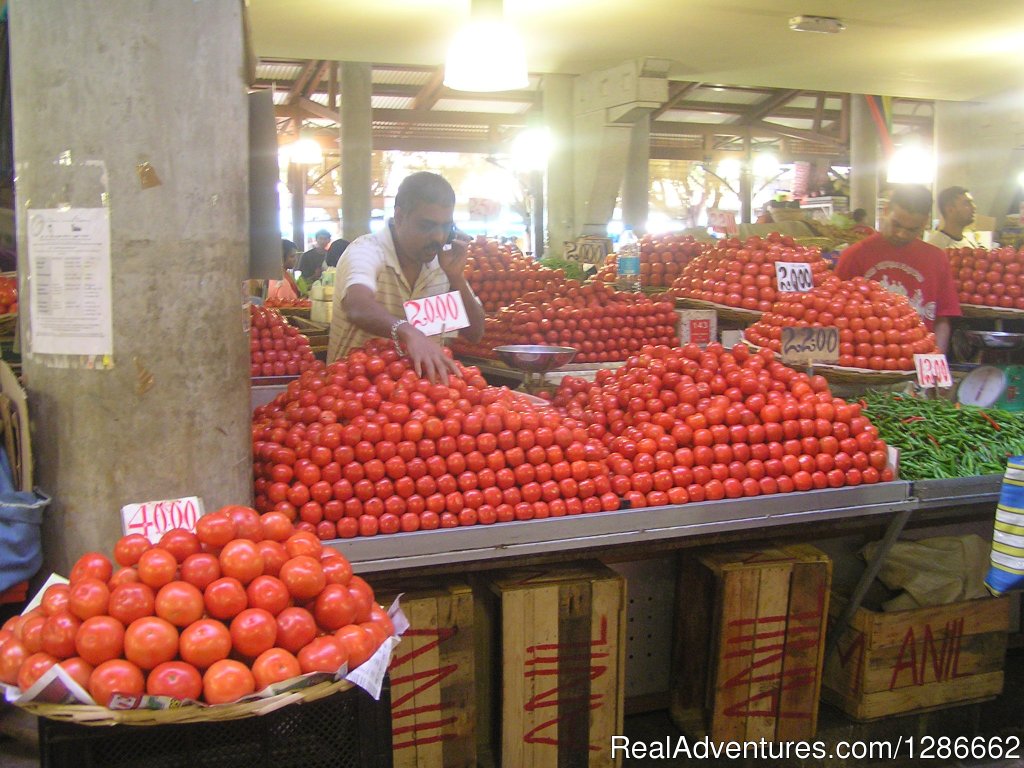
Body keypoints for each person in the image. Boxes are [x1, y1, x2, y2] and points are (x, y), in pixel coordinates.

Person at [327, 171, 486, 382]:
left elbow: (474, 333)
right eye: (426, 226)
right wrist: (408, 332)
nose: (438, 237)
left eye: (445, 226)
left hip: (417, 399)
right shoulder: (367, 251)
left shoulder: (441, 267)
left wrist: (456, 278)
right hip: (353, 390)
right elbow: (357, 305)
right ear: (400, 217)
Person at [836, 184, 961, 354]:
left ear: (925, 222)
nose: (902, 234)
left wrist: (937, 362)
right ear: (886, 211)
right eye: (897, 225)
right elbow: (834, 315)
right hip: (867, 359)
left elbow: (942, 318)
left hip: (920, 357)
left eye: (912, 229)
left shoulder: (937, 259)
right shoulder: (855, 255)